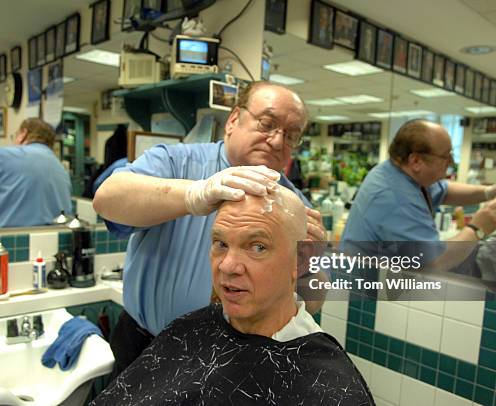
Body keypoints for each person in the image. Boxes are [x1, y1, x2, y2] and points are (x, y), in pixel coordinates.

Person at [93, 81, 326, 377]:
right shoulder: (177, 161)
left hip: (233, 363)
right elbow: (107, 198)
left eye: (291, 136)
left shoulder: (294, 204)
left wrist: (309, 264)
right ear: (233, 120)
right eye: (267, 124)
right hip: (146, 346)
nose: (278, 142)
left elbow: (314, 301)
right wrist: (194, 195)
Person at [90, 190, 373, 406]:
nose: (227, 266)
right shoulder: (190, 329)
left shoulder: (329, 385)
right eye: (220, 243)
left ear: (300, 258)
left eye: (257, 247)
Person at [341, 119, 496, 245]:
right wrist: (477, 229)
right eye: (445, 156)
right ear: (416, 161)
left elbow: (444, 190)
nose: (451, 162)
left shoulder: (399, 173)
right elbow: (434, 263)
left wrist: (491, 191)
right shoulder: (395, 198)